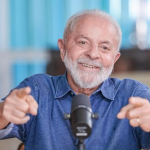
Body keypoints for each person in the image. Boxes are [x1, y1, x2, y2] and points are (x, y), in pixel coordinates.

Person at [0, 9, 150, 150]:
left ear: (115, 58)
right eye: (83, 42)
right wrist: (2, 112)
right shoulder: (38, 90)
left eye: (104, 47)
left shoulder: (134, 94)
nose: (93, 54)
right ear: (63, 49)